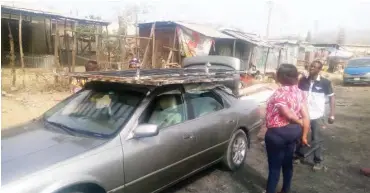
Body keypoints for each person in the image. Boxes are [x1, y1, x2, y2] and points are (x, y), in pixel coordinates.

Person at [264, 63, 310, 193]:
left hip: (277, 133)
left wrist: (299, 121)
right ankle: (286, 190)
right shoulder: (300, 92)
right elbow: (306, 116)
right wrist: (304, 135)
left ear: (280, 77)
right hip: (293, 132)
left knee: (274, 167)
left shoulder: (280, 93)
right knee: (287, 163)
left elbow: (288, 114)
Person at [296, 60, 335, 171]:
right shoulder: (303, 81)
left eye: (314, 67)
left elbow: (332, 97)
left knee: (316, 138)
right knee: (300, 136)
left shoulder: (325, 83)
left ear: (319, 69)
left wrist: (332, 114)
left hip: (317, 115)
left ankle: (318, 161)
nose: (311, 68)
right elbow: (297, 95)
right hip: (303, 114)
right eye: (311, 66)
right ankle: (299, 156)